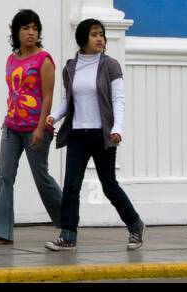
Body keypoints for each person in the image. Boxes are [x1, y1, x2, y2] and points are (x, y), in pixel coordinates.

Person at [45, 18, 145, 251]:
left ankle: (135, 225)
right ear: (82, 38)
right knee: (71, 185)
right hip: (78, 134)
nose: (99, 38)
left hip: (103, 134)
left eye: (101, 34)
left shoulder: (110, 65)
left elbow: (118, 99)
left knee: (108, 185)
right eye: (93, 34)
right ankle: (68, 236)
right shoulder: (71, 66)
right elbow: (66, 100)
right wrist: (54, 116)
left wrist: (117, 128)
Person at [0, 9, 63, 245]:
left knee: (41, 178)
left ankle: (68, 222)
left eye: (35, 28)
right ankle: (2, 232)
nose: (31, 33)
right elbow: (14, 92)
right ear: (16, 32)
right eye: (26, 28)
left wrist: (41, 128)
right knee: (5, 177)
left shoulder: (44, 60)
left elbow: (48, 97)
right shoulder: (12, 59)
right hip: (11, 127)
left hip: (34, 128)